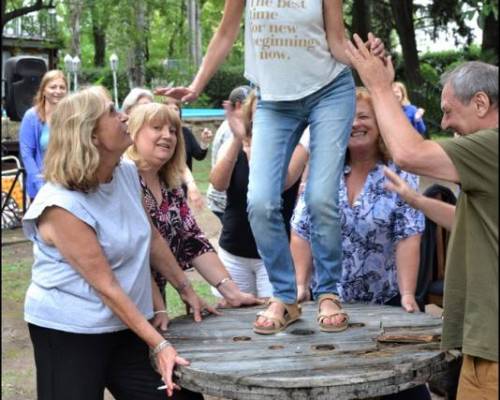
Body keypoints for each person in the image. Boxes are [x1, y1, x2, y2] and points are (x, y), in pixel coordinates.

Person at [156, 0, 385, 335]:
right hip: (275, 102)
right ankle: (285, 296)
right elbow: (225, 32)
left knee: (321, 198)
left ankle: (328, 293)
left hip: (330, 93)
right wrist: (197, 84)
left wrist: (367, 59)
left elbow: (336, 42)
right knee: (260, 202)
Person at [23, 86, 219, 400]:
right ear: (91, 135)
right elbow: (106, 286)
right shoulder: (60, 205)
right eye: (113, 112)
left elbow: (151, 236)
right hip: (70, 332)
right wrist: (159, 343)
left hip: (126, 325)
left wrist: (186, 289)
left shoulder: (126, 173)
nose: (124, 115)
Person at [346, 40, 498, 400]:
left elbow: (409, 153)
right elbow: (468, 219)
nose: (444, 122)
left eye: (448, 111)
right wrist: (413, 198)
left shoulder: (492, 145)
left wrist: (379, 85)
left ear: (480, 102)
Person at [291, 88, 425, 316]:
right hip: (325, 303)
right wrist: (301, 284)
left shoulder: (400, 173)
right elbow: (302, 230)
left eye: (363, 116)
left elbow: (408, 236)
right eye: (347, 117)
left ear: (381, 123)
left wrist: (408, 294)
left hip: (384, 301)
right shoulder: (322, 170)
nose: (354, 124)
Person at [126, 102, 263, 318]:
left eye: (173, 130)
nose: (168, 136)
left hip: (153, 305)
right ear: (133, 133)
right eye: (157, 127)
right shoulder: (125, 180)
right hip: (123, 303)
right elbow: (136, 253)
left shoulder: (170, 186)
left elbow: (193, 240)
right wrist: (168, 299)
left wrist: (231, 291)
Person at [209, 91, 302, 303]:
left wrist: (254, 152)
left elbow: (277, 187)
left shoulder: (293, 148)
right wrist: (237, 140)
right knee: (232, 319)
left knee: (276, 319)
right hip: (234, 251)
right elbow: (218, 183)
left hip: (274, 255)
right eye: (257, 113)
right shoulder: (235, 144)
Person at [19, 69, 68, 201]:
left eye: (62, 87)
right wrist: (40, 185)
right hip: (41, 187)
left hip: (67, 186)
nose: (58, 91)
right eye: (53, 87)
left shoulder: (71, 117)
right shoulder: (31, 116)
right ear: (44, 90)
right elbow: (27, 154)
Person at [206, 85, 252, 222]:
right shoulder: (231, 129)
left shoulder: (234, 125)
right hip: (223, 198)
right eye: (250, 105)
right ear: (238, 105)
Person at [162, 96, 213, 210]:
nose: (173, 112)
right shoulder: (160, 135)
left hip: (182, 185)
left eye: (176, 109)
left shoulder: (185, 132)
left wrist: (204, 142)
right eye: (169, 109)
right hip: (162, 183)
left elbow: (199, 155)